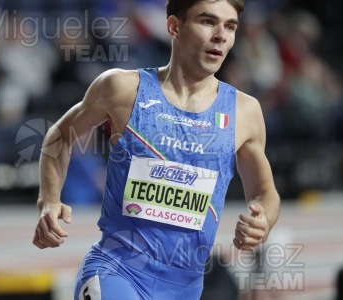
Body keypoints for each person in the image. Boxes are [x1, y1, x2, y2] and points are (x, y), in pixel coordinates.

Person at [33, 0, 281, 299]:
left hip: (186, 288)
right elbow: (59, 136)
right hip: (117, 271)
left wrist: (263, 220)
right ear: (174, 27)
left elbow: (265, 192)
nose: (221, 35)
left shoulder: (245, 111)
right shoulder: (122, 88)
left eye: (230, 26)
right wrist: (49, 200)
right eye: (207, 22)